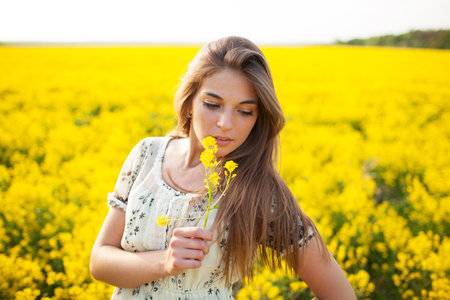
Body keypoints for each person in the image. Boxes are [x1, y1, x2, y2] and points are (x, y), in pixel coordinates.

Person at [90, 36, 356, 299]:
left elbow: (340, 294)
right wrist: (165, 261)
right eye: (213, 105)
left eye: (245, 111)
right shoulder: (147, 154)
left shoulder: (259, 190)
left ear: (258, 118)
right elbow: (100, 262)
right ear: (190, 101)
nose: (226, 123)